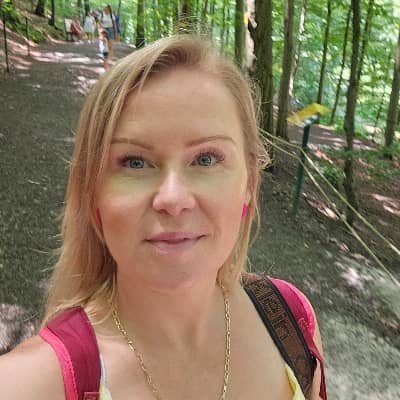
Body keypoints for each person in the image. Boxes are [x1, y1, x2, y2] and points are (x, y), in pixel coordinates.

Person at [0, 35, 326, 400]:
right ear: (93, 194)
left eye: (206, 159)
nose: (173, 199)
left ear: (249, 181)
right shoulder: (32, 383)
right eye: (135, 162)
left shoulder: (292, 322)